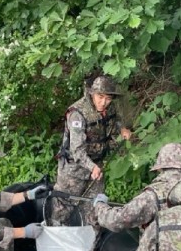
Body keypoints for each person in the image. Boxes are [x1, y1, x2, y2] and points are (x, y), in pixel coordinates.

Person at [50, 75, 131, 227]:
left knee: (95, 209)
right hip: (73, 170)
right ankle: (57, 244)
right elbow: (77, 150)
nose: (103, 102)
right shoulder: (77, 113)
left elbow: (115, 120)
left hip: (97, 167)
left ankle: (91, 247)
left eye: (108, 98)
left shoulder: (110, 107)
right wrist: (91, 166)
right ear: (92, 94)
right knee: (62, 210)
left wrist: (122, 130)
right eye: (100, 97)